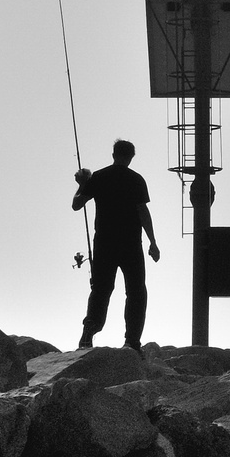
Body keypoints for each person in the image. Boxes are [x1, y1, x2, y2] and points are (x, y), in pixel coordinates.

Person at [72, 139, 160, 350]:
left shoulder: (99, 177)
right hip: (130, 244)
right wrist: (153, 242)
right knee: (136, 292)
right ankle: (132, 341)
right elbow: (142, 212)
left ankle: (89, 331)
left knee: (101, 289)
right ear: (131, 157)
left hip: (103, 243)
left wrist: (82, 184)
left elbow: (76, 204)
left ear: (113, 154)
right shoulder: (136, 180)